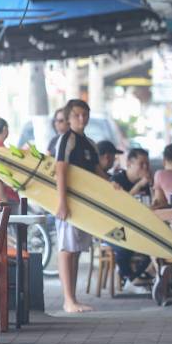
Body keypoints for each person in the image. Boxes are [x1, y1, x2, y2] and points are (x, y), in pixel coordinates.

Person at [55, 99, 106, 313]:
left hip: (84, 206)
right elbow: (60, 170)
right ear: (68, 118)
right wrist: (62, 203)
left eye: (84, 114)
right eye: (76, 115)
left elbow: (98, 173)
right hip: (69, 203)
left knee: (76, 251)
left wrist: (113, 185)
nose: (81, 118)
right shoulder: (67, 139)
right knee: (67, 250)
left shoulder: (90, 144)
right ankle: (68, 300)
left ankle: (73, 298)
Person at [110, 148, 153, 290]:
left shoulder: (146, 182)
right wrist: (139, 185)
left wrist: (152, 187)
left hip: (139, 227)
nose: (145, 167)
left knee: (155, 246)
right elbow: (120, 204)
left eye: (147, 164)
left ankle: (134, 279)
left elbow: (150, 203)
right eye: (141, 164)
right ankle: (130, 277)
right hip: (114, 227)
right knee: (124, 248)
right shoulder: (117, 179)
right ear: (129, 163)